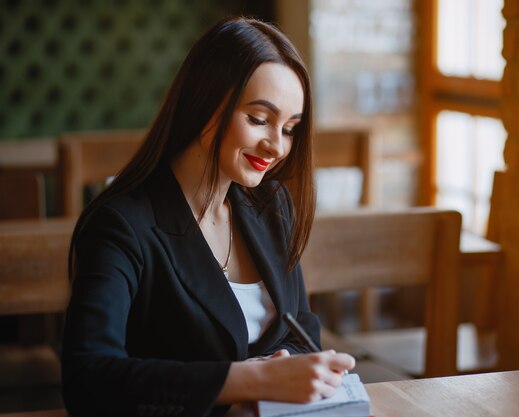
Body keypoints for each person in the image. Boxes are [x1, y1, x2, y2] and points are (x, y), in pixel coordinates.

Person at [61, 16, 355, 417]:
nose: (277, 146)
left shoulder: (272, 206)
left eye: (289, 128)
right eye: (258, 119)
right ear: (205, 102)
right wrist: (249, 383)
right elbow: (89, 378)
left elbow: (300, 327)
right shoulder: (120, 225)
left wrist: (291, 372)